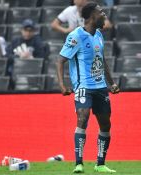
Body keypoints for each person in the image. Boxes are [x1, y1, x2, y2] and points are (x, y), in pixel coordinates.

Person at [56, 2, 120, 173]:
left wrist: (111, 83)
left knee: (105, 124)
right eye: (101, 12)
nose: (104, 14)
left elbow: (102, 60)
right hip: (83, 86)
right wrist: (63, 85)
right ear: (92, 16)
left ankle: (100, 164)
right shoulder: (76, 36)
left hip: (101, 87)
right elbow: (61, 60)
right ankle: (79, 163)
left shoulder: (99, 34)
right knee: (83, 118)